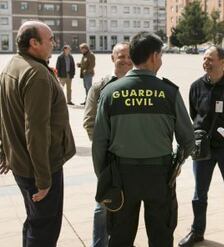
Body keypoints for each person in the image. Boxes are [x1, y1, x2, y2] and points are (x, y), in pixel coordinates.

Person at [92, 33, 195, 247]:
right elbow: (188, 141)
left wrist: (104, 176)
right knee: (160, 236)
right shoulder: (169, 92)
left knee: (120, 237)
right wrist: (176, 162)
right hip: (159, 176)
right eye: (161, 55)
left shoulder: (110, 92)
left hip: (121, 177)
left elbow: (99, 142)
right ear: (154, 56)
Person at [0, 21, 76, 246]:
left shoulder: (13, 65)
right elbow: (36, 130)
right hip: (40, 168)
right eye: (50, 39)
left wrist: (5, 151)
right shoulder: (36, 75)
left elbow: (4, 114)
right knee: (45, 228)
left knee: (35, 221)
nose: (54, 43)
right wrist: (44, 180)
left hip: (22, 162)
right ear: (34, 43)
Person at [179, 46, 224, 247]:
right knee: (199, 194)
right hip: (203, 149)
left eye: (210, 59)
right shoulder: (195, 87)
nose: (206, 62)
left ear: (223, 62)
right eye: (204, 58)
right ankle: (197, 231)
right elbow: (194, 115)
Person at [83, 42, 132, 247]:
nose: (126, 60)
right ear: (112, 58)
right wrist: (107, 147)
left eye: (129, 56)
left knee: (128, 205)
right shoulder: (100, 86)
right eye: (120, 56)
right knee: (103, 205)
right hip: (109, 159)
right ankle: (99, 244)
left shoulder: (140, 86)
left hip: (134, 158)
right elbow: (89, 122)